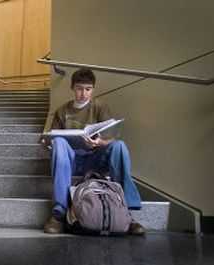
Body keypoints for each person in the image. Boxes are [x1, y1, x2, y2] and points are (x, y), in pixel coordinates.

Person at [41, 67, 145, 235]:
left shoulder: (99, 106)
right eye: (80, 89)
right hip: (71, 160)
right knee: (59, 142)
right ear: (72, 88)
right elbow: (53, 138)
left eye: (88, 89)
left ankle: (125, 211)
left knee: (119, 146)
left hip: (95, 159)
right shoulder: (62, 110)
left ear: (93, 89)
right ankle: (59, 213)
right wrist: (48, 145)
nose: (84, 93)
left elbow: (111, 137)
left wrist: (99, 142)